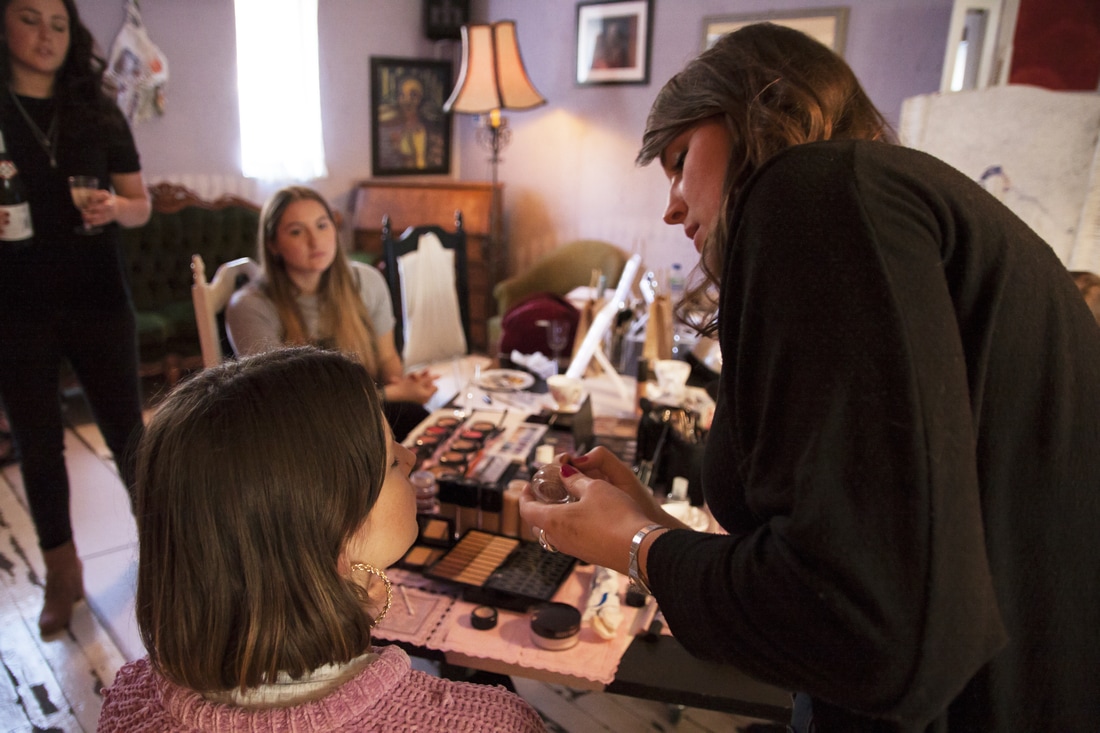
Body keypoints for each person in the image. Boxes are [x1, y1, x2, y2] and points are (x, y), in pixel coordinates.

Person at [520, 23, 1100, 732]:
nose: (670, 205)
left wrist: (635, 547)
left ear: (752, 111)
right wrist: (650, 526)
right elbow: (830, 576)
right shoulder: (874, 210)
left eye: (679, 160)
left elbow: (872, 625)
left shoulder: (816, 191)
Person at [97, 347, 546, 732]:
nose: (410, 457)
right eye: (390, 461)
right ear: (333, 541)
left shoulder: (128, 704)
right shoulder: (491, 723)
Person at [0, 0, 150, 636]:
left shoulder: (98, 108)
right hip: (15, 307)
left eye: (59, 24)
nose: (46, 35)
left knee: (129, 434)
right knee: (37, 443)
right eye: (29, 18)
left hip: (98, 300)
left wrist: (115, 207)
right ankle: (62, 573)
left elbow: (141, 205)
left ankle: (165, 553)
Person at [225, 185, 437, 441]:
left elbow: (386, 357)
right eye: (296, 231)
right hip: (300, 430)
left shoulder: (367, 281)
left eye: (322, 226)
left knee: (426, 426)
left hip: (363, 412)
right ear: (273, 244)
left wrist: (403, 383)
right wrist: (393, 394)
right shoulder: (250, 306)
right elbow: (285, 401)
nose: (315, 241)